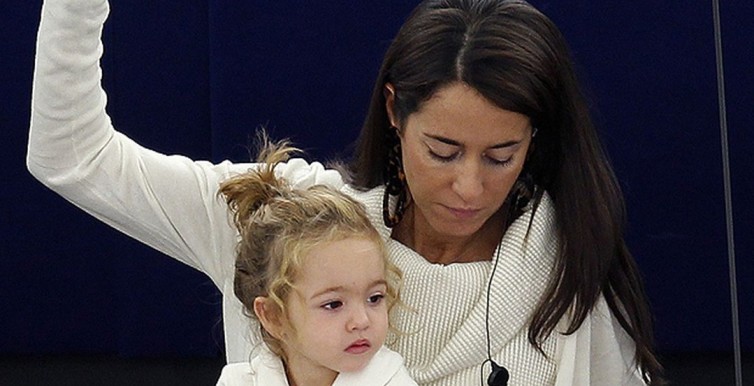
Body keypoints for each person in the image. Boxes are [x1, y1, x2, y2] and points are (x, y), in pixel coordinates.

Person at [27, 0, 663, 385]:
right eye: (441, 151)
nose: (468, 186)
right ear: (394, 111)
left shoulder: (569, 263)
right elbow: (72, 155)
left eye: (501, 156)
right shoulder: (288, 223)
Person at [214, 135, 416, 386]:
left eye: (374, 298)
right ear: (274, 316)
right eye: (333, 304)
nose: (362, 321)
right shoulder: (239, 381)